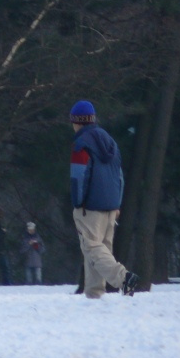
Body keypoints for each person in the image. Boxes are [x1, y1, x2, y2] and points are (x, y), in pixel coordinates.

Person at [68, 100, 139, 298]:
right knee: (101, 251)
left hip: (89, 206)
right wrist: (117, 203)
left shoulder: (81, 145)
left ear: (76, 122)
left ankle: (123, 278)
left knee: (91, 247)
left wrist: (78, 202)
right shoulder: (111, 143)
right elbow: (120, 176)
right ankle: (94, 294)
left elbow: (78, 177)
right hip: (111, 206)